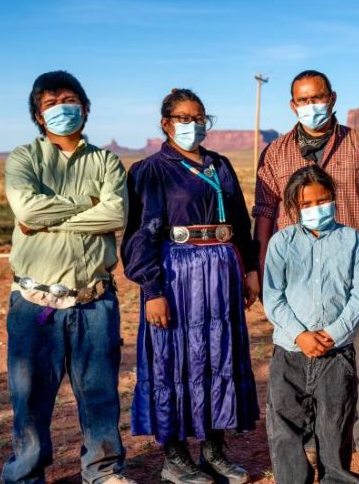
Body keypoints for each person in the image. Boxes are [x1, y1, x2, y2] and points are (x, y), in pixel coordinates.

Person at [121, 88, 259, 484]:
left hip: (222, 273)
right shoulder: (150, 170)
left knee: (219, 357)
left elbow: (240, 221)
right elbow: (140, 235)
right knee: (174, 360)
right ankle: (175, 457)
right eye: (183, 117)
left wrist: (248, 268)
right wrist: (152, 290)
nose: (193, 124)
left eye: (199, 117)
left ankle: (214, 452)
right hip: (176, 276)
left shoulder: (221, 164)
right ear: (165, 123)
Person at [2, 71, 133, 484]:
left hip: (93, 301)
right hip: (34, 302)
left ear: (85, 107)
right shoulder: (23, 158)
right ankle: (25, 475)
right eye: (50, 103)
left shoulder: (106, 161)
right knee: (30, 397)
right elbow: (27, 212)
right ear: (39, 116)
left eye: (70, 99)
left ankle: (103, 471)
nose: (62, 108)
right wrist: (85, 204)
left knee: (99, 395)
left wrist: (49, 218)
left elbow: (116, 214)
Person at [253, 70, 359, 465]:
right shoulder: (275, 153)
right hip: (293, 278)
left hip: (350, 275)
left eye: (318, 98)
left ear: (332, 98)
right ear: (293, 105)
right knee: (296, 366)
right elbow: (264, 210)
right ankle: (310, 440)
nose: (311, 106)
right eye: (303, 100)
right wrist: (257, 267)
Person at [263, 165, 359, 484]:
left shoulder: (352, 240)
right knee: (286, 431)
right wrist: (301, 334)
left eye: (322, 200)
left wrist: (333, 333)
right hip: (290, 352)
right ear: (294, 207)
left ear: (334, 199)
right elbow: (273, 295)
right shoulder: (281, 243)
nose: (315, 209)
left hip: (337, 354)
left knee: (334, 426)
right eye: (307, 204)